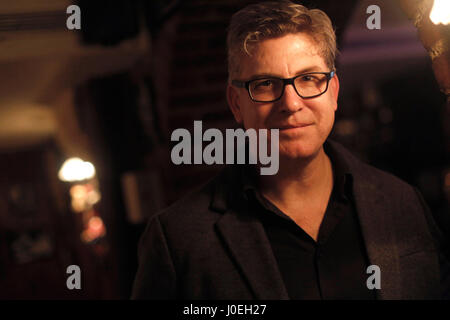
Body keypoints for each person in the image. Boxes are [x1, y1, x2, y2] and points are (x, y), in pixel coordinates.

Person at [131, 0, 449, 299]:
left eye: (309, 78)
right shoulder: (178, 240)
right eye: (266, 84)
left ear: (333, 92)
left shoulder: (402, 201)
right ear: (236, 103)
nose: (291, 104)